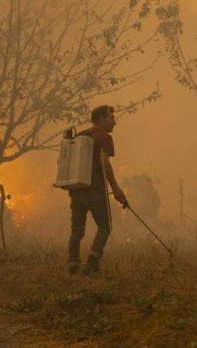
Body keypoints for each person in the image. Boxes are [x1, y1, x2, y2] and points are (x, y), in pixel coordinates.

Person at [67, 105, 128, 275]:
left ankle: (72, 265)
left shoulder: (80, 136)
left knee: (76, 232)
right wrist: (115, 188)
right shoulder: (104, 137)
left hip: (76, 190)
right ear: (101, 119)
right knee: (105, 227)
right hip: (95, 191)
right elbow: (104, 162)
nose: (114, 123)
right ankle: (92, 262)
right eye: (111, 118)